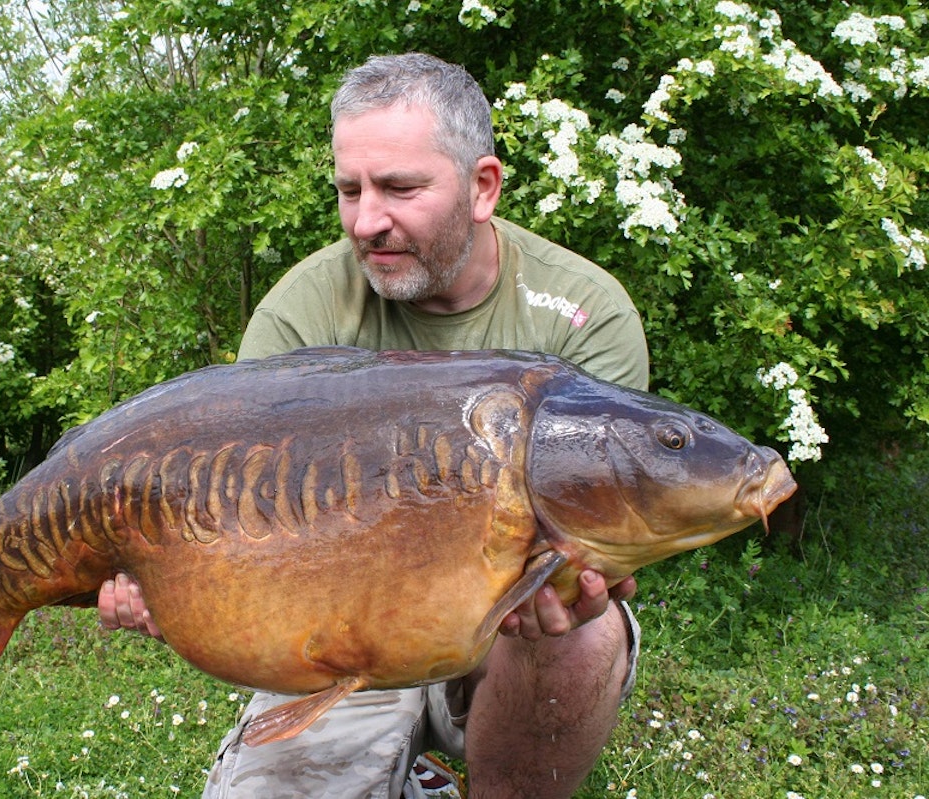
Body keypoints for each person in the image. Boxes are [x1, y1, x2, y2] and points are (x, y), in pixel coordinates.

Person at [99, 52, 648, 798]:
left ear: (483, 187)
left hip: (506, 627)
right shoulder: (301, 313)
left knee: (585, 630)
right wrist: (171, 581)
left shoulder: (585, 315)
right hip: (336, 629)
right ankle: (404, 766)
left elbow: (603, 530)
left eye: (399, 188)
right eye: (349, 190)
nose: (367, 221)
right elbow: (232, 523)